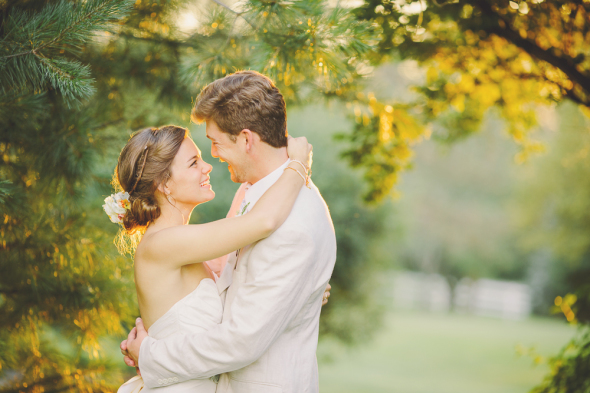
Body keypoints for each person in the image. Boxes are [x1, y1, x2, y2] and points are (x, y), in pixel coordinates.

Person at [121, 71, 337, 393]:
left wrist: (302, 291)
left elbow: (241, 325)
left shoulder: (286, 215)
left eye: (213, 144)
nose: (211, 160)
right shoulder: (169, 242)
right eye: (195, 162)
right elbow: (261, 225)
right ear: (164, 184)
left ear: (246, 139)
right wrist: (298, 166)